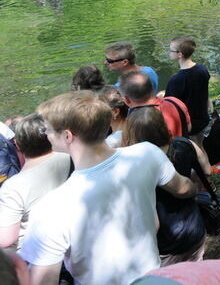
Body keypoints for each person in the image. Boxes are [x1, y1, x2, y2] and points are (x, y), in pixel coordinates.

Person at [19, 91, 197, 285]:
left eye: (47, 130)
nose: (46, 135)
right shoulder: (147, 153)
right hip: (153, 277)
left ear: (68, 136)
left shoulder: (51, 209)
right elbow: (183, 189)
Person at [122, 107, 208, 265]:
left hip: (165, 242)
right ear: (162, 126)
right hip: (194, 227)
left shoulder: (131, 167)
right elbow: (207, 170)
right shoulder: (184, 144)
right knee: (197, 268)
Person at [0, 115, 70, 250]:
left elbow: (5, 239)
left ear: (17, 144)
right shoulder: (70, 158)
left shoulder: (13, 186)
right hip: (67, 238)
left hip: (33, 252)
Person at [121, 71, 192, 140]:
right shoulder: (175, 101)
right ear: (151, 88)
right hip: (184, 146)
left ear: (127, 100)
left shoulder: (139, 122)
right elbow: (189, 128)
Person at [165, 37, 210, 144]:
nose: (169, 52)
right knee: (200, 144)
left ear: (180, 54)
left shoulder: (176, 80)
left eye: (171, 50)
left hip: (188, 125)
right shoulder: (202, 69)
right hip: (203, 119)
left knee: (197, 147)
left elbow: (169, 107)